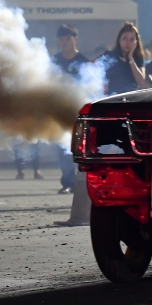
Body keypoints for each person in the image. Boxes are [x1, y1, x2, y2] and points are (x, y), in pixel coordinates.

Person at [54, 23, 91, 194]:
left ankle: (80, 181)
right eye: (61, 39)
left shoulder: (83, 62)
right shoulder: (54, 60)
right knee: (62, 148)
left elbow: (90, 86)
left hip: (78, 110)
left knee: (78, 147)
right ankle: (67, 182)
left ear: (75, 38)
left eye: (68, 38)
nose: (64, 42)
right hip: (59, 109)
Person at [100, 22, 147, 97]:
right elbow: (93, 70)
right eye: (125, 38)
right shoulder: (109, 55)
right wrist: (102, 84)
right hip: (111, 99)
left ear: (136, 42)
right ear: (119, 40)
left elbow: (140, 81)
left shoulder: (138, 58)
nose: (128, 43)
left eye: (132, 39)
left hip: (131, 99)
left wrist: (131, 59)